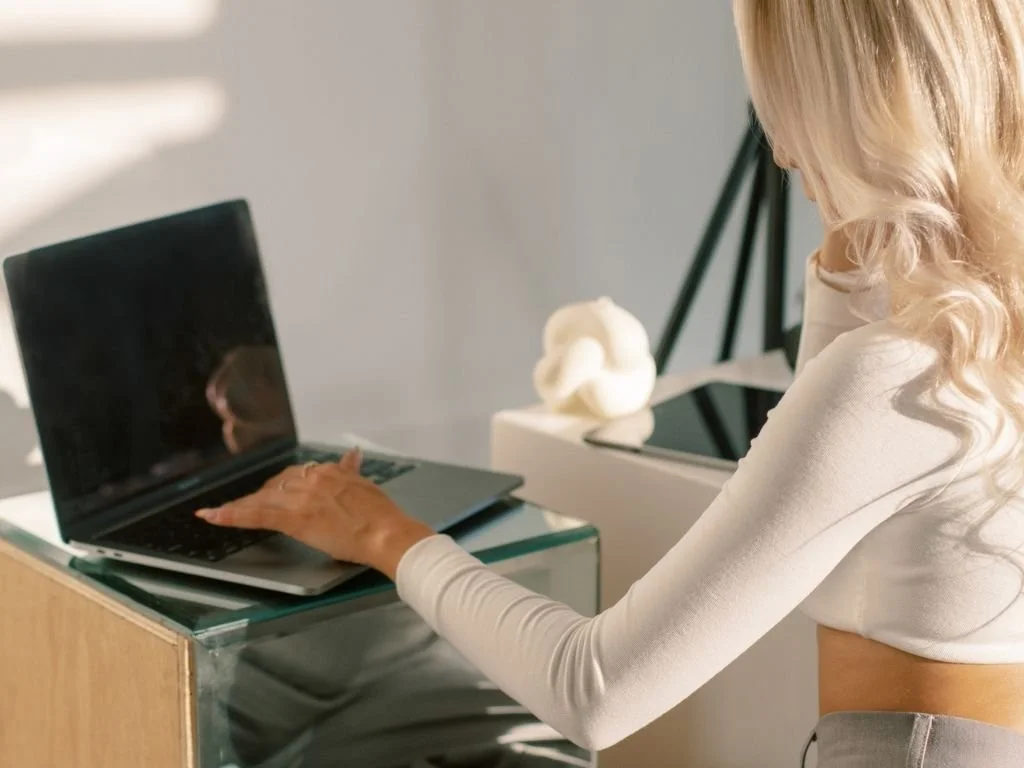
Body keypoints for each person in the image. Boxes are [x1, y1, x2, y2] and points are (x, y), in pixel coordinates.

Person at [197, 2, 1024, 765]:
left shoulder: (892, 378)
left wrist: (384, 534)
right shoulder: (980, 330)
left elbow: (592, 689)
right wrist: (850, 244)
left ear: (863, 108)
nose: (779, 147)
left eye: (791, 101)